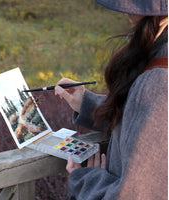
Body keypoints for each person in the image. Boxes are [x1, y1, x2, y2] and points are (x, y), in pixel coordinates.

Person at [54, 0, 168, 199]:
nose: (123, 10)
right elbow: (148, 125)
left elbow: (136, 195)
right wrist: (88, 104)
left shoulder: (158, 81)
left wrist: (86, 181)